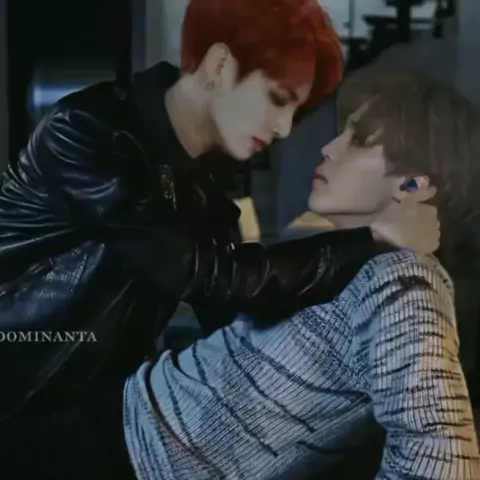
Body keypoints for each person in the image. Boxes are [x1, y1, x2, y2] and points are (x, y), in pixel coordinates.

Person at [0, 0, 424, 424]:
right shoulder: (89, 132)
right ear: (219, 65)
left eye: (295, 110)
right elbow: (210, 276)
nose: (284, 127)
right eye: (277, 98)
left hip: (89, 414)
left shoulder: (198, 180)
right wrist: (373, 237)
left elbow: (236, 314)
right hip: (19, 406)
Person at [117, 70, 480, 479]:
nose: (329, 148)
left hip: (139, 455)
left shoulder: (404, 280)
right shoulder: (355, 259)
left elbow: (441, 456)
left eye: (359, 140)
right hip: (129, 418)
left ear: (413, 186)